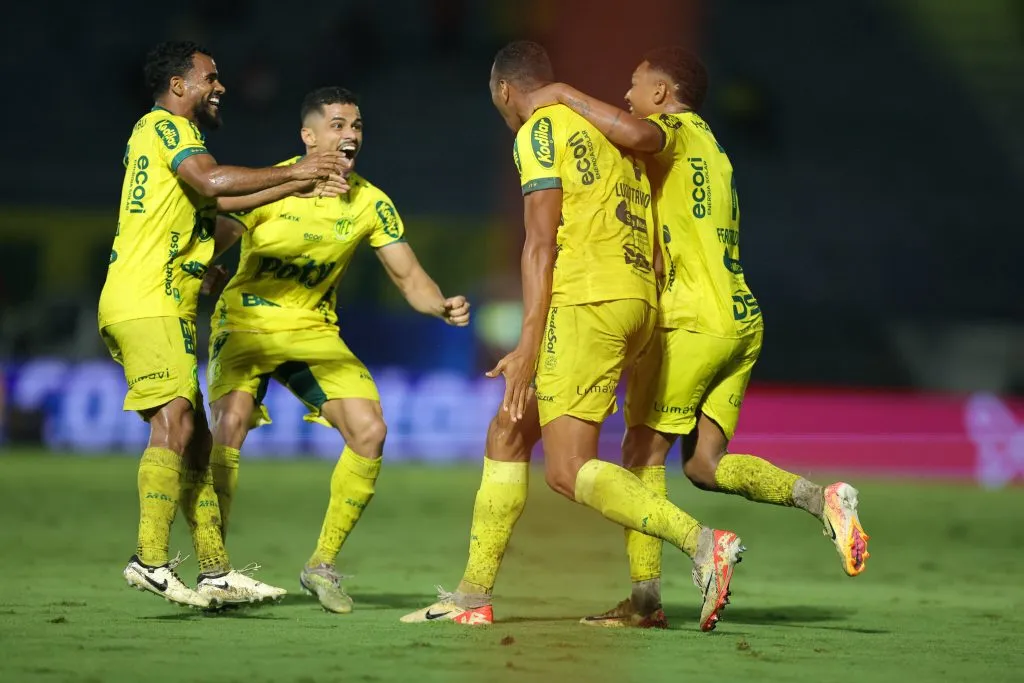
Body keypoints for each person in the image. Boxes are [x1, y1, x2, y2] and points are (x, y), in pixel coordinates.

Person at [401, 41, 744, 632]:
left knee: (567, 469)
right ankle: (472, 594)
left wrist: (529, 341)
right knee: (511, 427)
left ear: (504, 92)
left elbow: (539, 241)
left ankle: (703, 542)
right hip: (634, 301)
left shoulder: (539, 129)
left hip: (588, 301)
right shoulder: (607, 130)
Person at [525, 46, 871, 628]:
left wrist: (563, 94)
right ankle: (822, 499)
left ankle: (645, 601)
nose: (629, 95)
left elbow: (637, 134)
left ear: (661, 93)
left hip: (693, 318)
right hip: (740, 316)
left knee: (639, 453)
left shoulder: (674, 129)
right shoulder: (717, 149)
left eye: (635, 85)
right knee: (705, 465)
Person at [203, 86, 472, 614]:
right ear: (309, 136)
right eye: (338, 125)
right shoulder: (271, 185)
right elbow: (217, 234)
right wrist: (206, 267)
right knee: (229, 424)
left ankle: (321, 564)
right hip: (246, 322)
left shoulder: (371, 202)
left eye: (357, 126)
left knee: (370, 431)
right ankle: (215, 569)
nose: (350, 135)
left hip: (312, 332)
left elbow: (409, 275)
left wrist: (440, 305)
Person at [99, 40, 346, 609]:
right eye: (210, 77)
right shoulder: (169, 129)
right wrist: (302, 169)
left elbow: (223, 206)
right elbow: (214, 185)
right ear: (179, 86)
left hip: (163, 302)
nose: (221, 86)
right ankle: (149, 558)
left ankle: (214, 571)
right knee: (176, 423)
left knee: (197, 440)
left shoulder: (171, 140)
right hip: (147, 299)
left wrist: (297, 182)